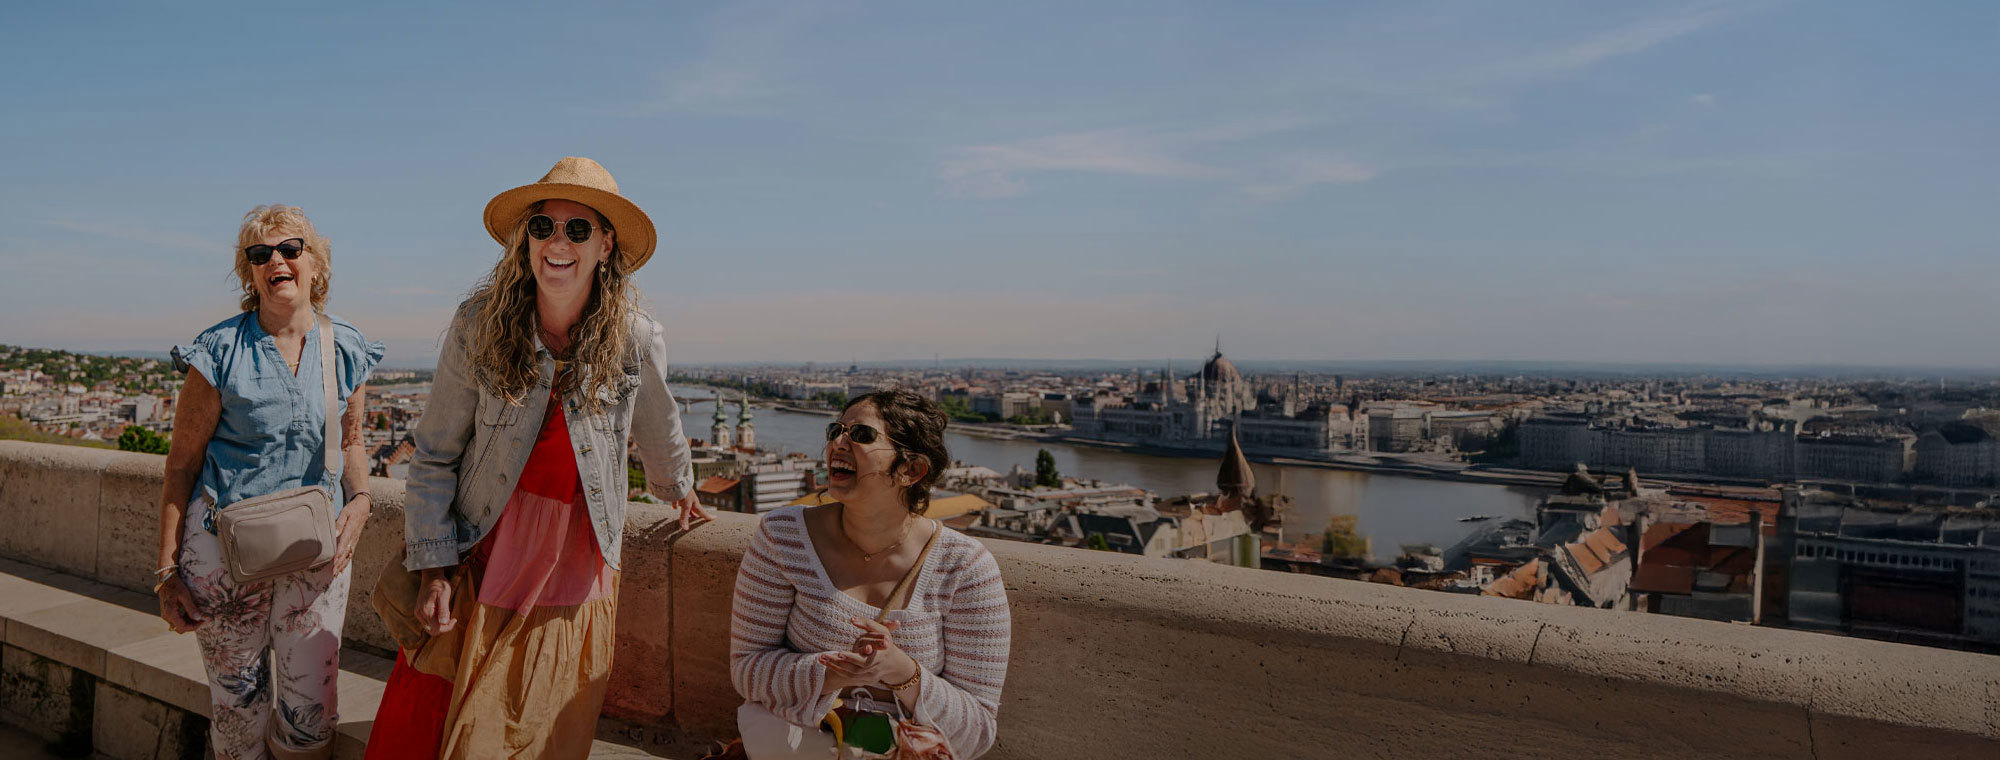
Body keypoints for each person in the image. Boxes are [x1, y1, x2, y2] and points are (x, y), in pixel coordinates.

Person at [365, 157, 706, 759]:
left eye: (577, 230)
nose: (557, 242)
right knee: (439, 724)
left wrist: (678, 486)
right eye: (543, 226)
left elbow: (659, 422)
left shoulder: (634, 335)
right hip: (487, 542)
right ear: (524, 240)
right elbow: (436, 453)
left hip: (575, 555)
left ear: (605, 246)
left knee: (536, 729)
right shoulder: (480, 324)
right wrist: (434, 566)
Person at [155, 205, 384, 759]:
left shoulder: (345, 347)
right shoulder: (219, 351)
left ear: (315, 263)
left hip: (315, 550)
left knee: (312, 712)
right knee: (238, 710)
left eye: (289, 248)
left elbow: (351, 440)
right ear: (249, 272)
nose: (275, 260)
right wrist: (166, 571)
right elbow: (181, 465)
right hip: (223, 551)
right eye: (260, 254)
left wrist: (362, 500)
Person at [730, 390, 1012, 759]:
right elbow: (747, 670)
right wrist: (833, 673)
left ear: (911, 470)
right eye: (836, 430)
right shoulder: (782, 536)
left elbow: (977, 732)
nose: (837, 442)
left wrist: (901, 671)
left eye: (860, 435)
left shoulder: (966, 567)